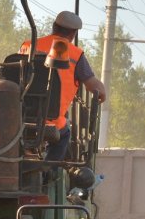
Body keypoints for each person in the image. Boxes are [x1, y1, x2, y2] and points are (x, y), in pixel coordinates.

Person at [18, 10, 106, 162]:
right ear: (73, 34)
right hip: (51, 121)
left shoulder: (28, 45)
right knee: (65, 134)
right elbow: (95, 87)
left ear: (53, 27)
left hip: (19, 116)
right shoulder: (75, 54)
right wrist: (102, 92)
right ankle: (49, 170)